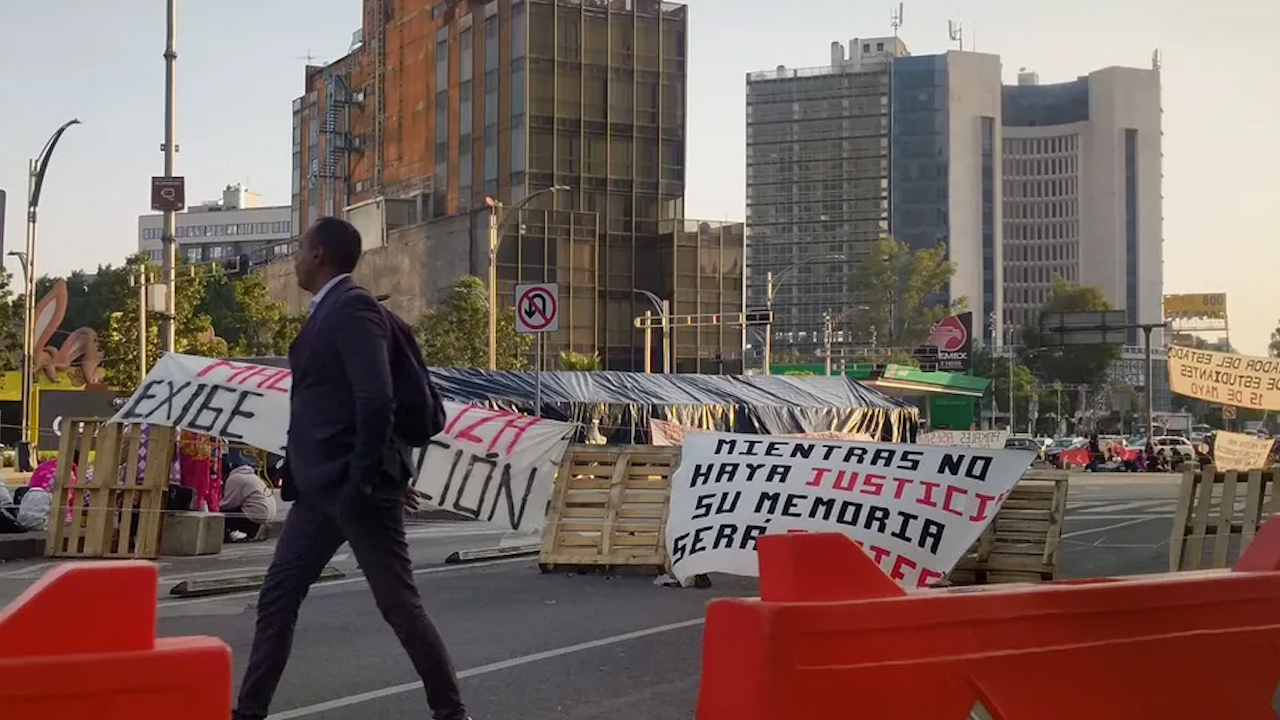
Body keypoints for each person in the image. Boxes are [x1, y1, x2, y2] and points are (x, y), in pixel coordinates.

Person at [232, 217, 469, 720]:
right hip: (319, 493)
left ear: (318, 253)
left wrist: (366, 476)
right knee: (277, 600)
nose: (294, 257)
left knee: (399, 606)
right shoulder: (330, 312)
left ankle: (451, 714)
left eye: (299, 248)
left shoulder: (353, 307)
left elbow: (377, 396)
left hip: (351, 491)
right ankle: (247, 714)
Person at [221, 453, 276, 542]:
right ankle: (254, 530)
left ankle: (251, 531)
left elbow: (228, 503)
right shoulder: (251, 476)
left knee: (222, 515)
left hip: (255, 516)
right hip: (265, 514)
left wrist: (212, 509)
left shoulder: (235, 478)